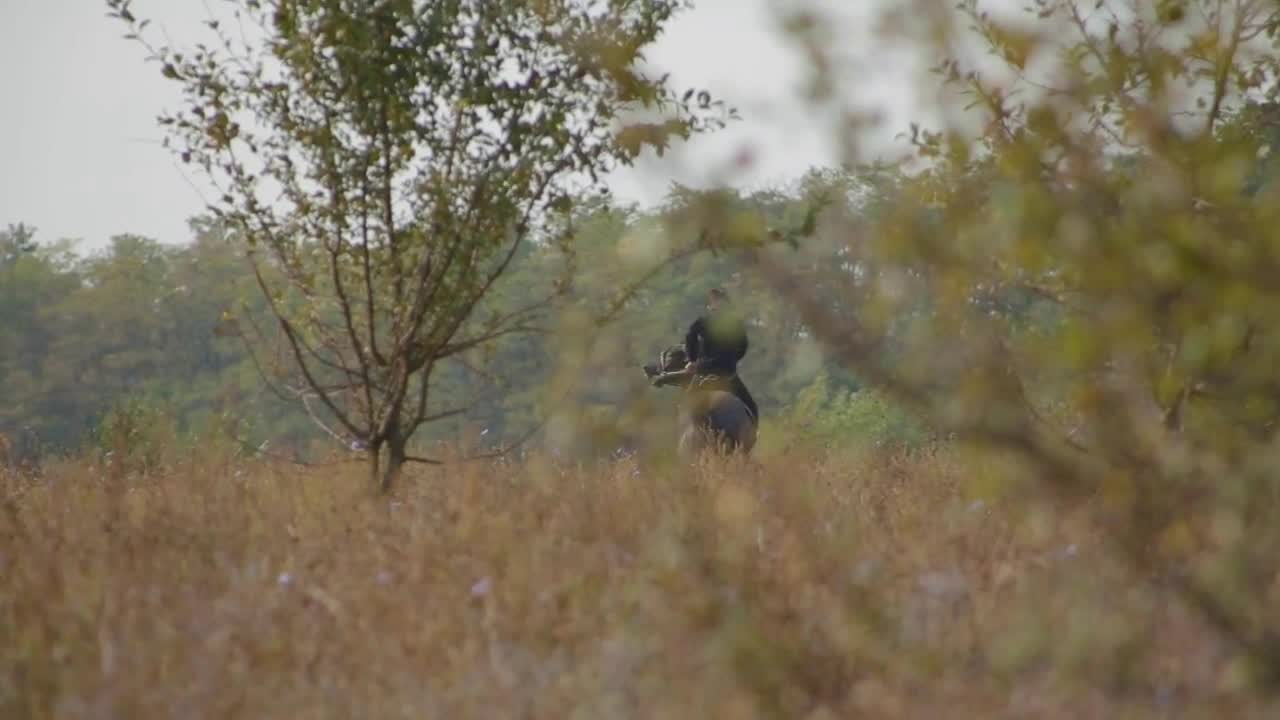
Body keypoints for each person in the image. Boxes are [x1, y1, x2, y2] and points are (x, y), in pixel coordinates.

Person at [682, 287, 759, 423]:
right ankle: (753, 433)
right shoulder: (736, 324)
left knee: (685, 407)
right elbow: (743, 347)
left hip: (704, 372)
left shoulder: (701, 322)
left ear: (710, 306)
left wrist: (692, 360)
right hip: (728, 374)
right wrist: (731, 360)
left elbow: (690, 338)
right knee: (752, 408)